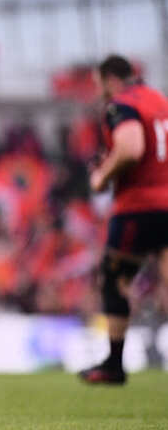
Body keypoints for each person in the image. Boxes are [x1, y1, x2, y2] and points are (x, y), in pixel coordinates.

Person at [79, 55, 168, 385]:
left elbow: (130, 148)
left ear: (108, 79)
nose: (99, 91)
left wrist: (102, 176)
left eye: (98, 84)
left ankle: (114, 365)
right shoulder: (159, 100)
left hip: (140, 207)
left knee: (114, 277)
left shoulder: (121, 104)